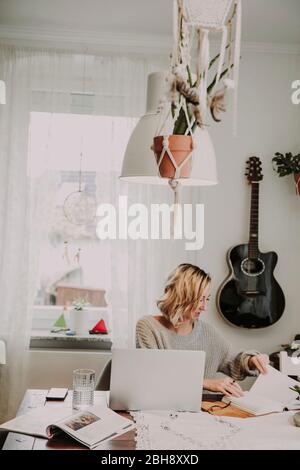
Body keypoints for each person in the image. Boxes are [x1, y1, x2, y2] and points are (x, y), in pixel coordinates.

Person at [136, 263, 269, 397]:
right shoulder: (148, 327)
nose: (204, 307)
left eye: (207, 299)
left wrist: (252, 361)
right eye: (200, 299)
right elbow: (153, 377)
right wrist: (205, 383)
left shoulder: (207, 332)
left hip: (205, 412)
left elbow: (234, 360)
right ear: (183, 296)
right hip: (162, 410)